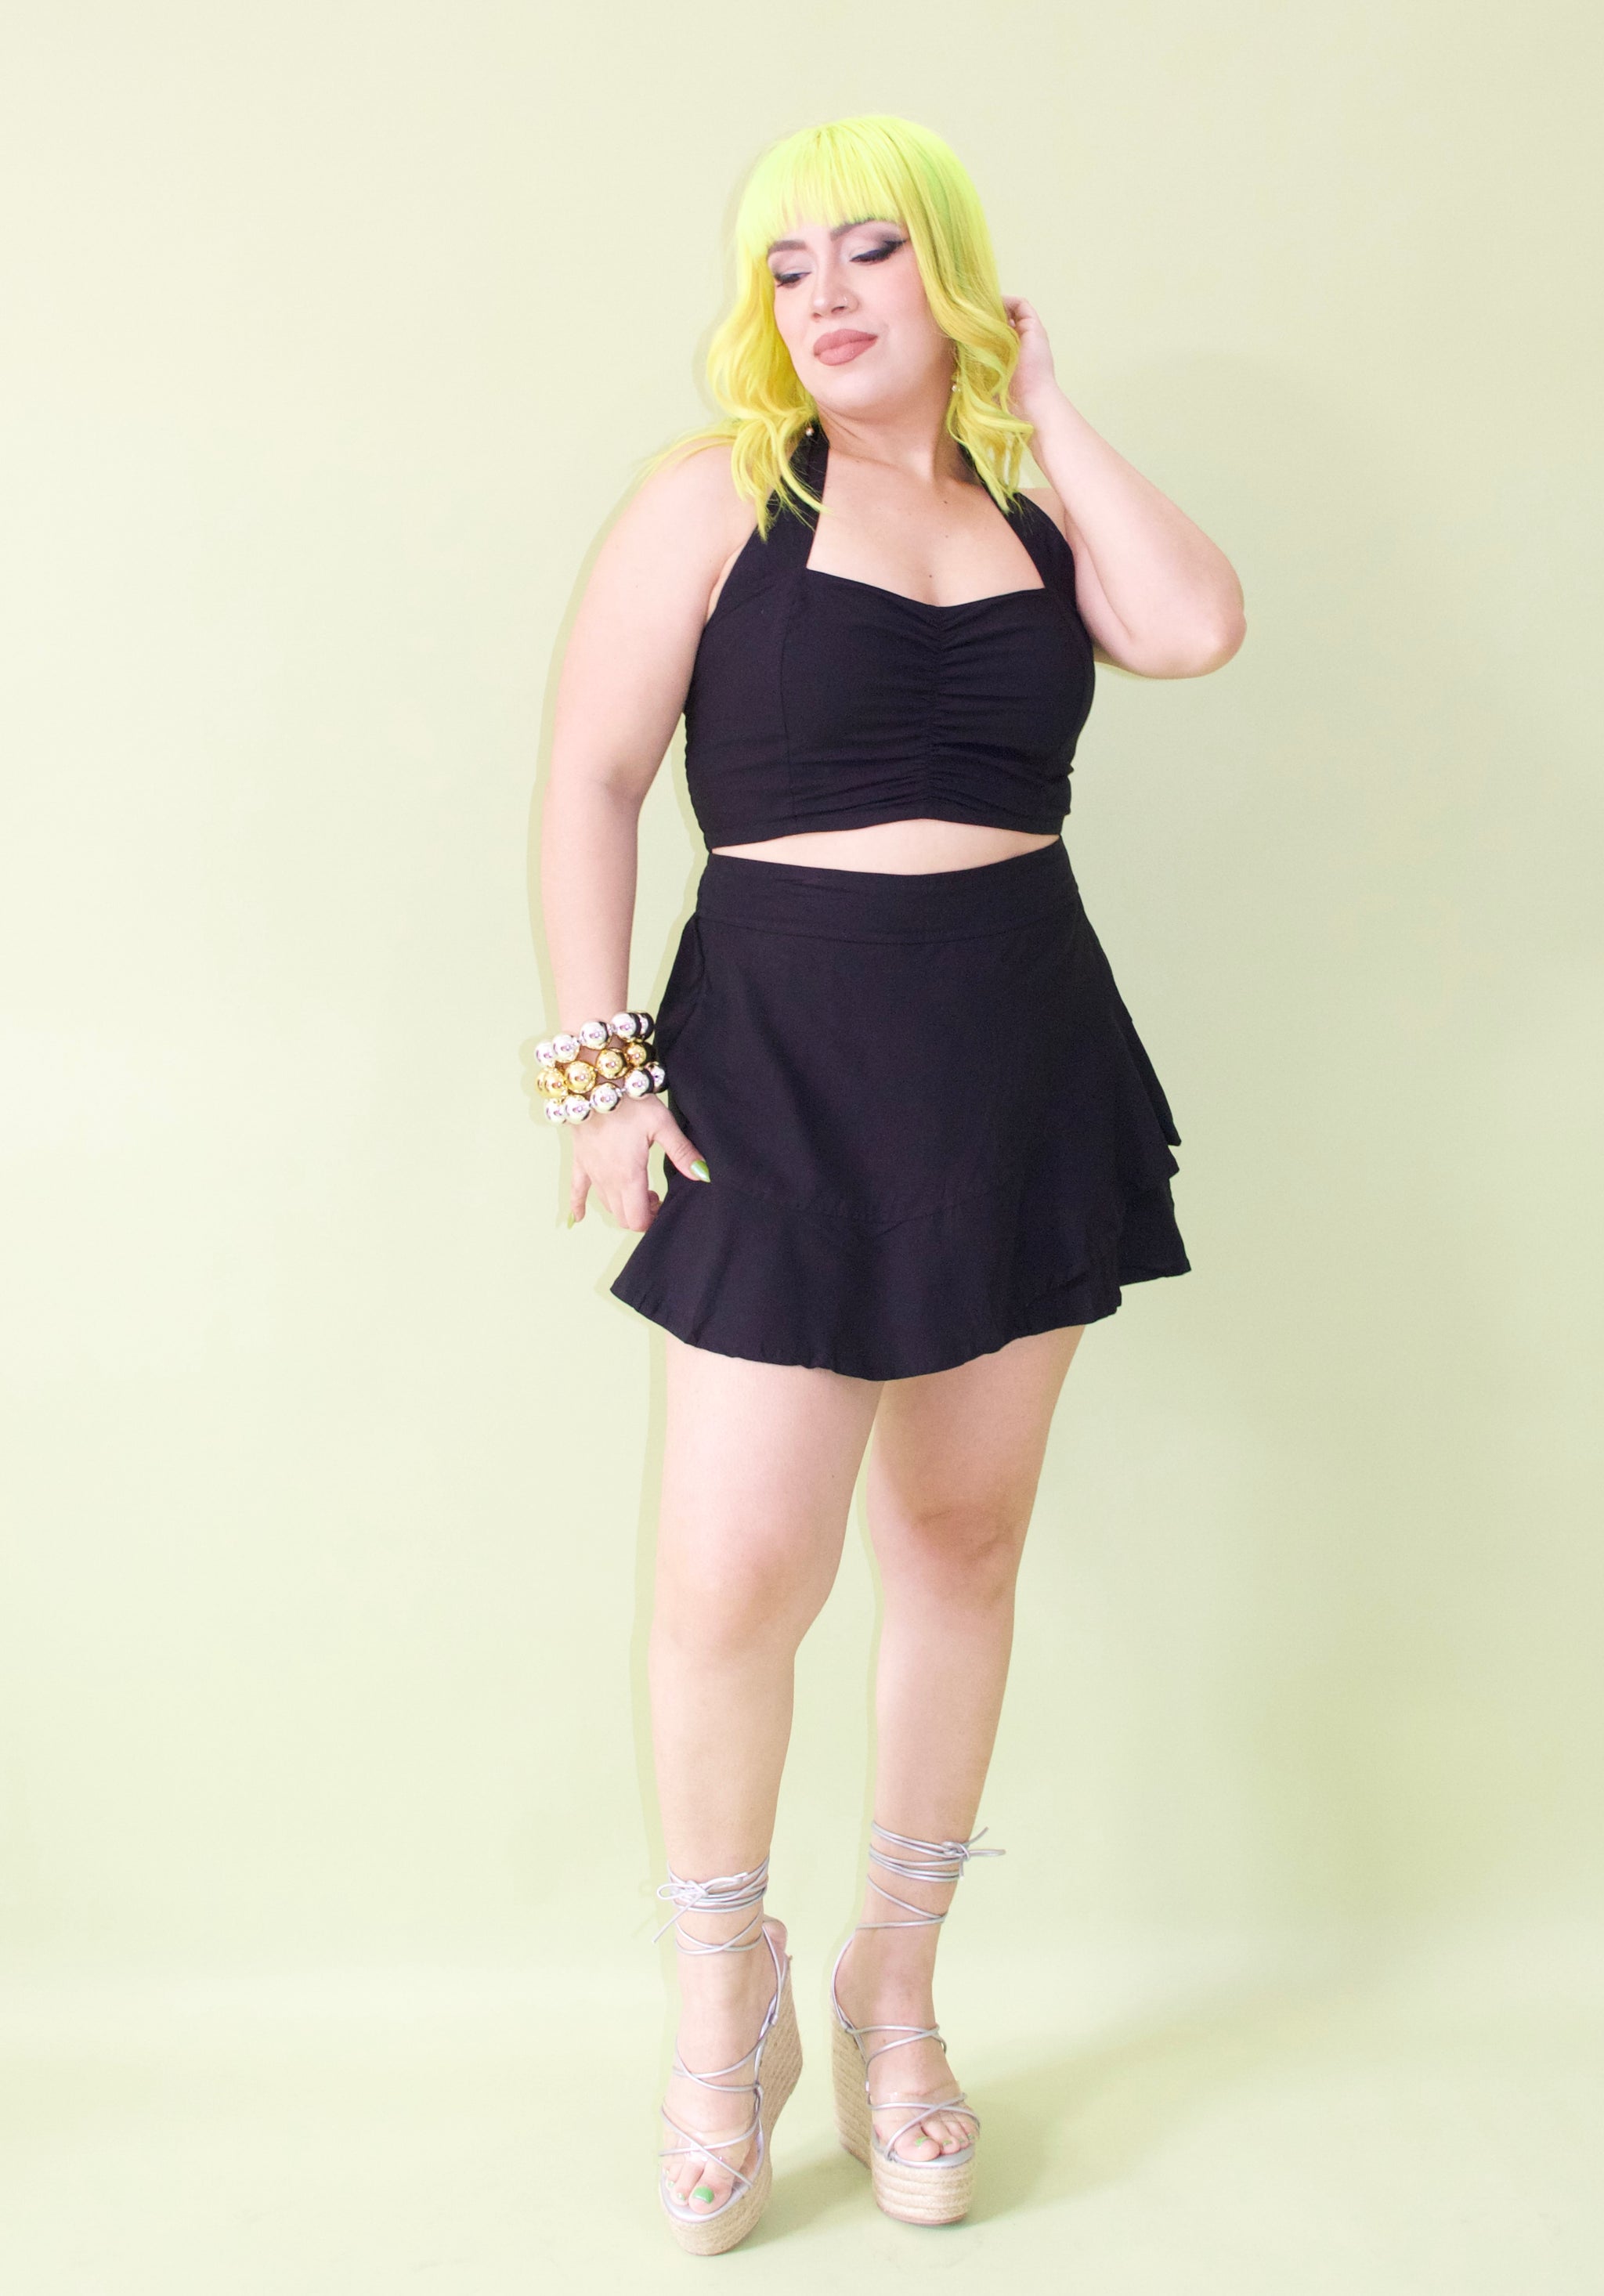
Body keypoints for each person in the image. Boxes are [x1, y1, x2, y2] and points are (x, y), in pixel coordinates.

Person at [533, 114, 1245, 2254]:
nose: (825, 297)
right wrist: (596, 1064)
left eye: (869, 253)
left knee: (959, 1536)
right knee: (734, 1574)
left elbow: (1193, 627)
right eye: (787, 267)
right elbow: (590, 773)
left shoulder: (1029, 505)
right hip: (778, 1055)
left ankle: (895, 1997)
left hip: (1016, 1052)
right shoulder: (713, 499)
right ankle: (723, 2013)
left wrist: (1047, 397)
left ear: (949, 274)